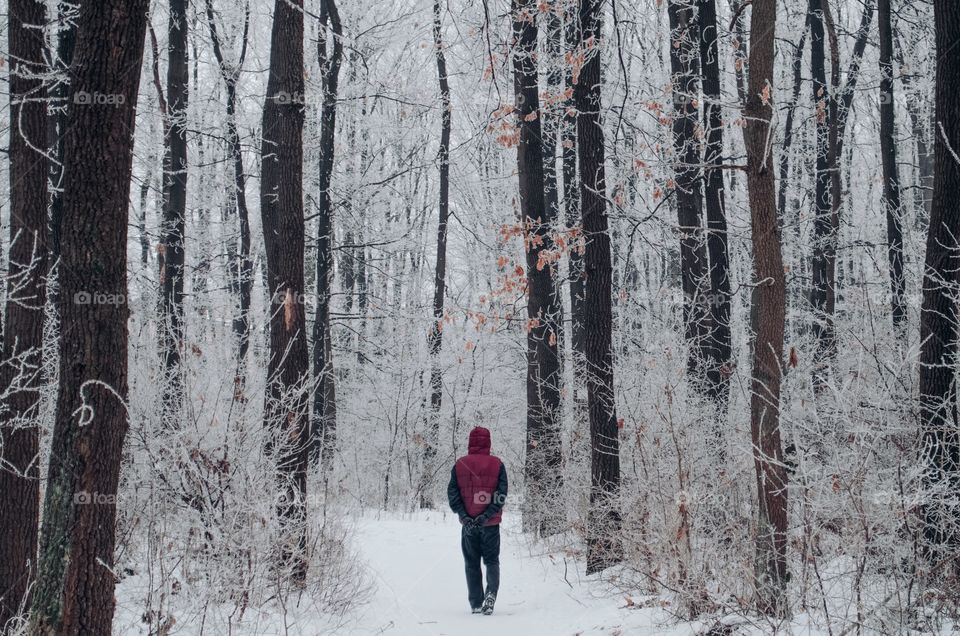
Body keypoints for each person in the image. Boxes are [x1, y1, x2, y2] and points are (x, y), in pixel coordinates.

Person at [447, 426, 508, 615]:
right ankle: (491, 594)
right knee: (491, 560)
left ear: (470, 442)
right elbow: (501, 494)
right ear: (488, 442)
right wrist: (486, 515)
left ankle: (476, 603)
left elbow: (452, 494)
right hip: (490, 524)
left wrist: (465, 516)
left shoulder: (460, 464)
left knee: (471, 563)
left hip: (468, 525)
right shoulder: (497, 464)